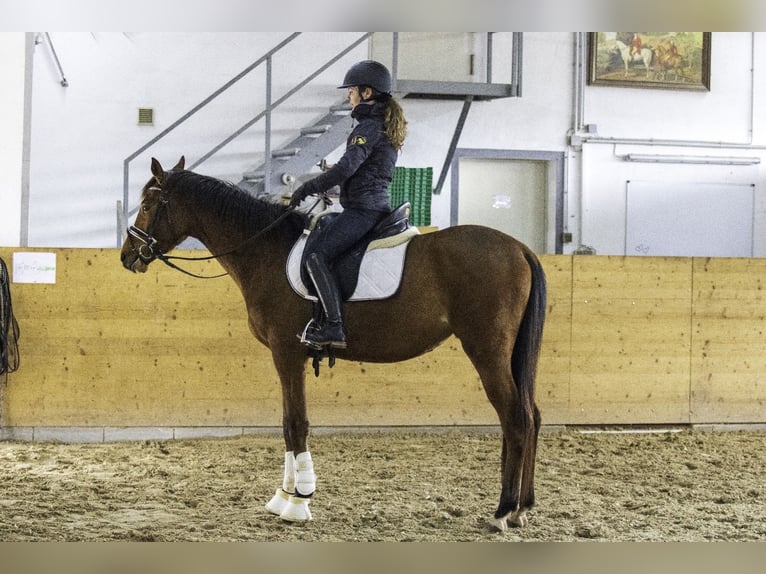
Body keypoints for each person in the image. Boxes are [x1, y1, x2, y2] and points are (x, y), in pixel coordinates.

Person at [289, 60, 408, 349]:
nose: (348, 96)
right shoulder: (380, 125)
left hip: (364, 210)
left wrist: (309, 186)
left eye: (352, 91)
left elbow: (346, 169)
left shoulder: (367, 127)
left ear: (367, 93)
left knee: (316, 255)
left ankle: (333, 326)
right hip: (369, 205)